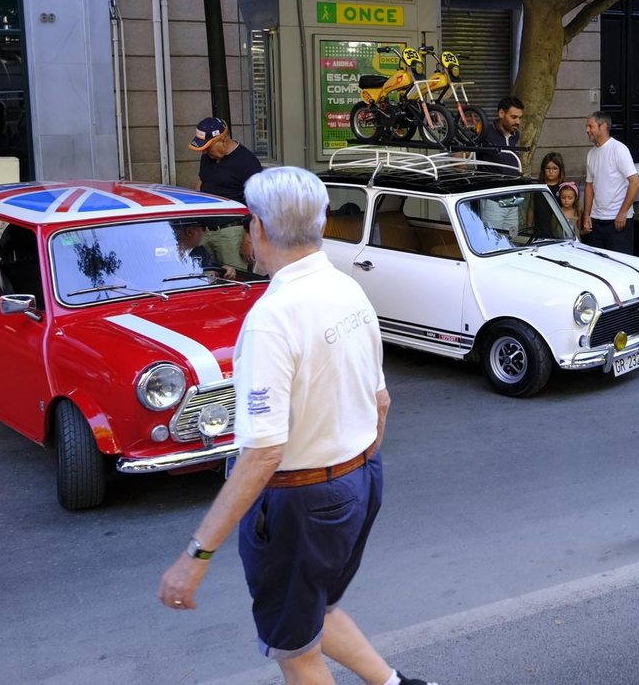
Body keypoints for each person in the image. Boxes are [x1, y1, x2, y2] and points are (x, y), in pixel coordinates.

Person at [157, 167, 437, 685]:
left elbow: (262, 453)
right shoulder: (347, 289)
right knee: (317, 610)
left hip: (303, 501)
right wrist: (351, 470)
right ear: (324, 221)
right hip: (359, 481)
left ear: (257, 228)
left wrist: (196, 555)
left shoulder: (272, 317)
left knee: (294, 650)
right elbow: (381, 402)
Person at [192, 117, 262, 275]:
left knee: (233, 282)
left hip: (231, 232)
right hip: (204, 230)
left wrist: (249, 239)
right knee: (204, 280)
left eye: (208, 148)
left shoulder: (247, 162)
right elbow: (202, 182)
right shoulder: (208, 156)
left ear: (222, 141)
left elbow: (260, 203)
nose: (204, 152)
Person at [581, 111, 639, 253]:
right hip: (596, 221)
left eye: (590, 126)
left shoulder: (619, 150)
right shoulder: (591, 154)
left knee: (619, 265)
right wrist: (587, 215)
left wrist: (623, 212)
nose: (587, 130)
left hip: (617, 221)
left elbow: (635, 182)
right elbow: (589, 186)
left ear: (603, 126)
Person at [477, 96, 524, 177]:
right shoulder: (485, 132)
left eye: (520, 118)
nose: (518, 122)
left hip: (513, 185)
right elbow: (461, 153)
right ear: (501, 114)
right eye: (514, 117)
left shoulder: (516, 135)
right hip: (492, 187)